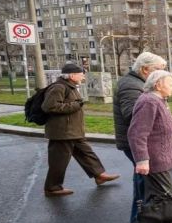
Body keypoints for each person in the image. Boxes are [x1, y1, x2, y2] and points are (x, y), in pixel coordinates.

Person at [122, 70, 172, 223]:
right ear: (158, 84)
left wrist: (171, 127)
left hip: (163, 158)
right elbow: (136, 133)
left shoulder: (158, 100)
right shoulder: (149, 101)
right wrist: (142, 160)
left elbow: (153, 126)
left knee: (164, 197)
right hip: (156, 160)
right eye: (170, 83)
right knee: (163, 199)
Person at [42, 62, 119, 196]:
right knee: (59, 161)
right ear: (72, 75)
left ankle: (99, 175)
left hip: (72, 131)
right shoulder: (59, 87)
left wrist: (75, 105)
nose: (83, 77)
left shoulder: (70, 86)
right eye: (81, 74)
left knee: (86, 153)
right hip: (62, 133)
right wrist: (75, 105)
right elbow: (49, 106)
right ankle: (52, 188)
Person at [113, 52, 167, 223]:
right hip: (137, 144)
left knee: (146, 183)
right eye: (159, 70)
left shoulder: (138, 83)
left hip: (141, 142)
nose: (163, 74)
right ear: (145, 69)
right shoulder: (132, 86)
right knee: (144, 185)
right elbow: (134, 117)